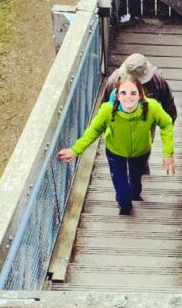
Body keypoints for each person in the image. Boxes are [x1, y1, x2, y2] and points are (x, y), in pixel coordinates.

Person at [58, 72, 175, 215]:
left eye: (133, 93)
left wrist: (168, 153)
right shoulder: (107, 110)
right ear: (118, 96)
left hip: (140, 152)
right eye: (123, 93)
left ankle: (133, 194)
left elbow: (166, 123)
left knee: (135, 187)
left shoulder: (152, 107)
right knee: (125, 199)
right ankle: (125, 208)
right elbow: (93, 131)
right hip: (115, 153)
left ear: (140, 95)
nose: (128, 97)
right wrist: (75, 150)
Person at [103, 53, 176, 176]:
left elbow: (168, 103)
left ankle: (142, 165)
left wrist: (170, 122)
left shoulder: (157, 81)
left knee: (145, 144)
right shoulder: (114, 81)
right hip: (121, 120)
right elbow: (105, 106)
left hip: (146, 121)